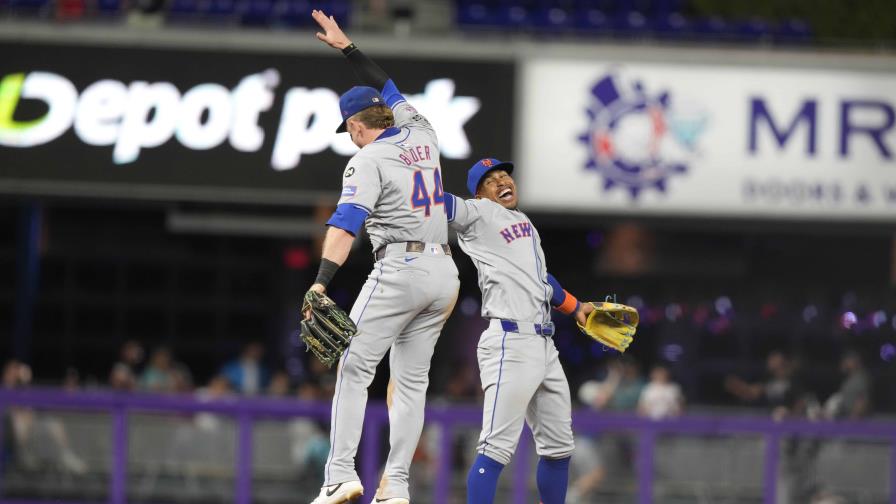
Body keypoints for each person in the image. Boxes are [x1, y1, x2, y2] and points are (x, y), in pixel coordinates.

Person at [307, 10, 460, 504]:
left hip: (402, 268)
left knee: (353, 364)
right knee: (411, 384)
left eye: (348, 128)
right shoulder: (422, 130)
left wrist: (321, 282)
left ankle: (339, 474)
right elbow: (387, 84)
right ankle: (396, 487)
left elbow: (345, 225)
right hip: (445, 274)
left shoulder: (366, 159)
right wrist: (348, 47)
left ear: (355, 126)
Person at [445, 158, 596, 504]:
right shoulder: (479, 212)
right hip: (509, 342)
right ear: (480, 193)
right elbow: (442, 203)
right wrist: (409, 175)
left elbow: (542, 281)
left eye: (504, 175)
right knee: (495, 448)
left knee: (559, 449)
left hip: (544, 344)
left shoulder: (524, 222)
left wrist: (575, 307)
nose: (501, 180)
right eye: (491, 179)